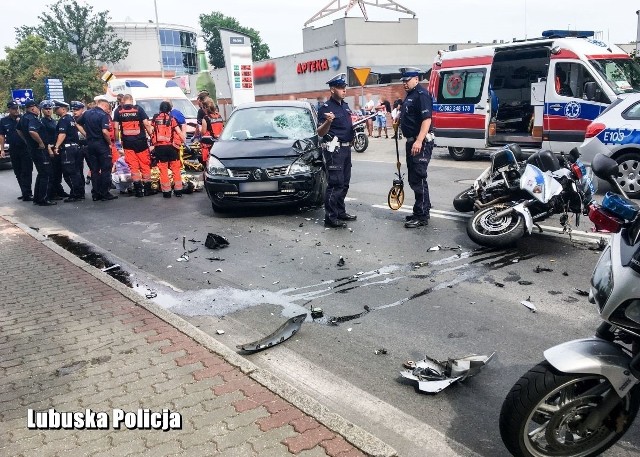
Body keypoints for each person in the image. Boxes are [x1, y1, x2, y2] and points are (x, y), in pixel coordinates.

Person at [317, 73, 357, 229]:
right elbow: (320, 132)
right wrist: (328, 121)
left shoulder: (345, 106)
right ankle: (331, 217)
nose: (344, 90)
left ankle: (340, 212)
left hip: (346, 149)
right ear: (332, 90)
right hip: (335, 150)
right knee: (335, 184)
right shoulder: (326, 108)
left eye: (344, 87)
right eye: (340, 88)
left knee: (345, 183)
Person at [399, 67, 434, 228]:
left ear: (416, 79)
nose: (404, 83)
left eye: (407, 80)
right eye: (403, 81)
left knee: (419, 177)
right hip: (411, 141)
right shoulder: (410, 95)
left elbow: (426, 120)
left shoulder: (422, 95)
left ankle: (422, 216)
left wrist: (419, 141)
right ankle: (421, 209)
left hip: (420, 142)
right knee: (414, 178)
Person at [113, 94, 154, 197]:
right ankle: (148, 189)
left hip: (127, 143)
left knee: (133, 166)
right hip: (141, 142)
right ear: (131, 100)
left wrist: (117, 141)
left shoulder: (118, 111)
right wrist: (152, 137)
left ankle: (138, 191)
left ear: (123, 100)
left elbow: (116, 127)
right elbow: (147, 124)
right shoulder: (138, 109)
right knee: (144, 164)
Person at [76, 99, 117, 201]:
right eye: (108, 108)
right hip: (101, 144)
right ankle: (104, 193)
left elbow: (77, 123)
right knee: (105, 169)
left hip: (90, 144)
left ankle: (95, 193)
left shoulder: (87, 113)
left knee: (94, 170)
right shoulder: (103, 115)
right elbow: (105, 131)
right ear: (104, 105)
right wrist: (109, 143)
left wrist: (86, 134)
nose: (108, 110)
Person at [17, 100, 55, 206]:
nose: (39, 110)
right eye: (38, 108)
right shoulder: (32, 118)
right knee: (46, 174)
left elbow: (18, 130)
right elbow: (32, 131)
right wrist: (41, 143)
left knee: (41, 173)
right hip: (39, 150)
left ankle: (37, 198)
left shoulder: (23, 118)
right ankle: (43, 198)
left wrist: (26, 140)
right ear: (33, 108)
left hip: (32, 149)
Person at [150, 101, 186, 198]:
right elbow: (179, 132)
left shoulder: (155, 119)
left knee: (163, 170)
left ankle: (166, 192)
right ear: (170, 109)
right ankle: (178, 191)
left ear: (160, 109)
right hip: (172, 148)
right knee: (176, 169)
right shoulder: (172, 119)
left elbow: (151, 132)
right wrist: (184, 141)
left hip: (159, 148)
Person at [53, 100, 85, 202]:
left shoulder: (63, 120)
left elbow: (62, 134)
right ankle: (80, 192)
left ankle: (76, 194)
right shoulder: (71, 119)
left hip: (67, 149)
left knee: (69, 173)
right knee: (77, 172)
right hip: (76, 148)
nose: (55, 110)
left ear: (63, 109)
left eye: (56, 108)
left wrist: (56, 146)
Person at [0, 101, 32, 201]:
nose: (16, 110)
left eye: (17, 108)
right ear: (9, 109)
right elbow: (2, 135)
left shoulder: (24, 118)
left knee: (26, 170)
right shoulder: (4, 121)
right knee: (18, 171)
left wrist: (20, 123)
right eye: (13, 108)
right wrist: (2, 150)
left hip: (25, 148)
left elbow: (31, 131)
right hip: (13, 148)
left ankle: (27, 192)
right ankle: (24, 192)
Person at [40, 100, 69, 200]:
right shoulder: (42, 122)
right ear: (42, 110)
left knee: (58, 171)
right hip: (49, 148)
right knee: (52, 172)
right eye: (46, 109)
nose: (48, 110)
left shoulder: (53, 120)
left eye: (50, 109)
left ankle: (59, 190)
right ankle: (52, 193)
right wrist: (49, 149)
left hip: (56, 147)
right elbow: (44, 137)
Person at [200, 98, 224, 163]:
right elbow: (223, 128)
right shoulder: (219, 116)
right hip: (220, 142)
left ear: (205, 108)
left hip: (210, 145)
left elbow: (203, 132)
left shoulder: (206, 118)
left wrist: (200, 132)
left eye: (202, 108)